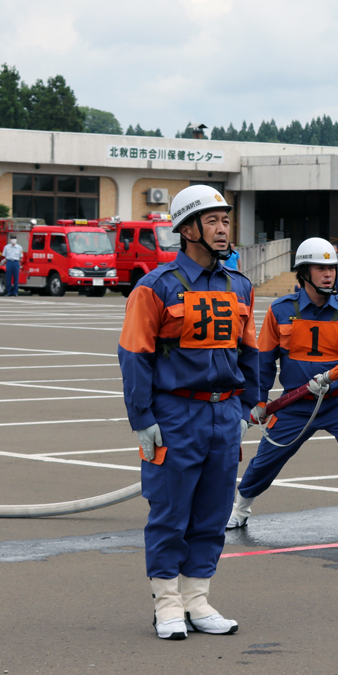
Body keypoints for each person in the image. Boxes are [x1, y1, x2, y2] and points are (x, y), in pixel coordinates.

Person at [117, 184, 258, 640]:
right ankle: (167, 604)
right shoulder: (153, 288)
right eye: (213, 221)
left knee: (213, 514)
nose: (223, 229)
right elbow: (134, 355)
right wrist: (142, 419)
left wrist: (248, 405)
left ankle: (197, 599)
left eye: (225, 220)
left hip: (223, 416)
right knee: (169, 513)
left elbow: (249, 351)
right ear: (188, 228)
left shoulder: (240, 286)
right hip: (175, 415)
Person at [227, 237, 338, 541]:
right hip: (293, 405)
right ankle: (240, 509)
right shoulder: (280, 310)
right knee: (266, 458)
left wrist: (335, 379)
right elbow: (264, 361)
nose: (329, 274)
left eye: (332, 268)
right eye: (320, 267)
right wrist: (257, 401)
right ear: (303, 272)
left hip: (337, 402)